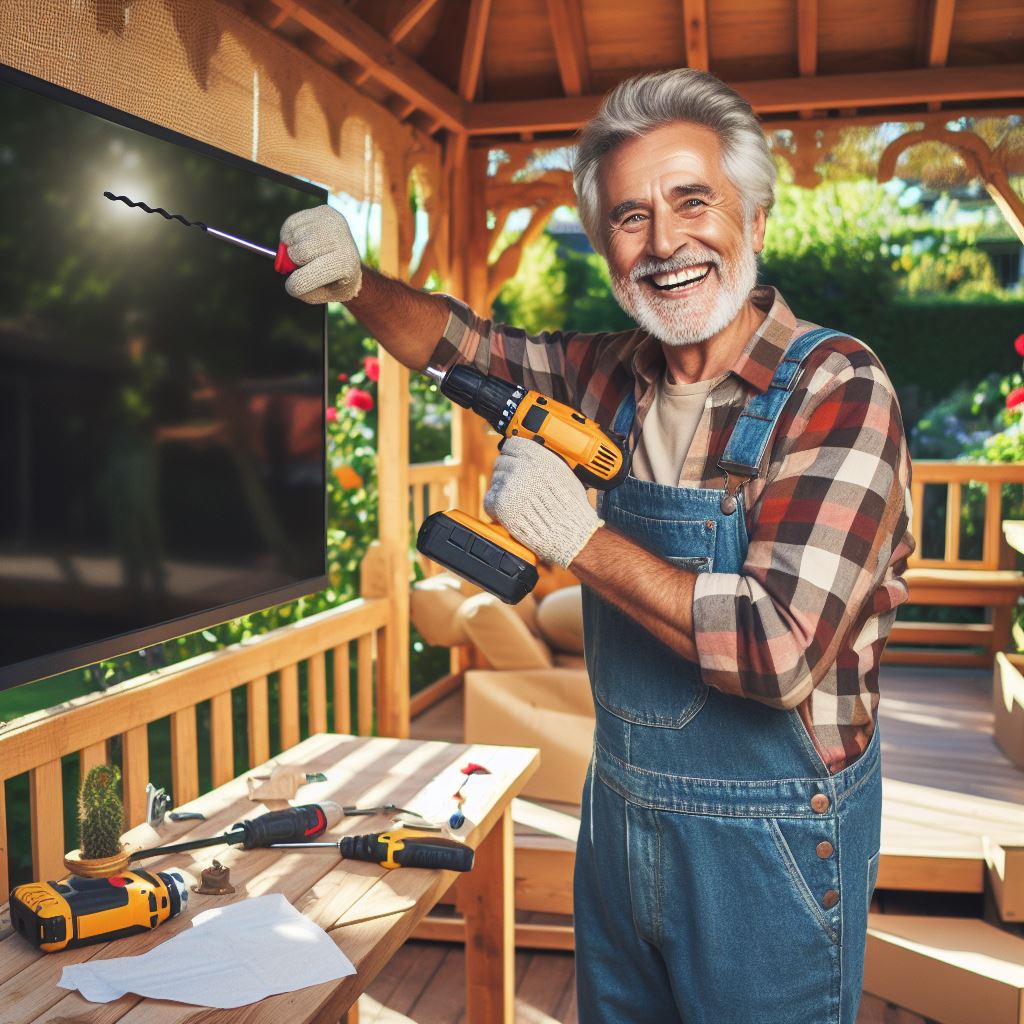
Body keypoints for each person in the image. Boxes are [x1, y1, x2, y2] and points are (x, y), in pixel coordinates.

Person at [280, 68, 913, 1024]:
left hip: (774, 838)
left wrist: (580, 536)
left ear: (755, 216)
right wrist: (359, 286)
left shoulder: (838, 389)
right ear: (609, 245)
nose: (665, 242)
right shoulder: (608, 374)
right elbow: (465, 348)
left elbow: (777, 650)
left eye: (692, 201)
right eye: (629, 217)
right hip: (617, 811)